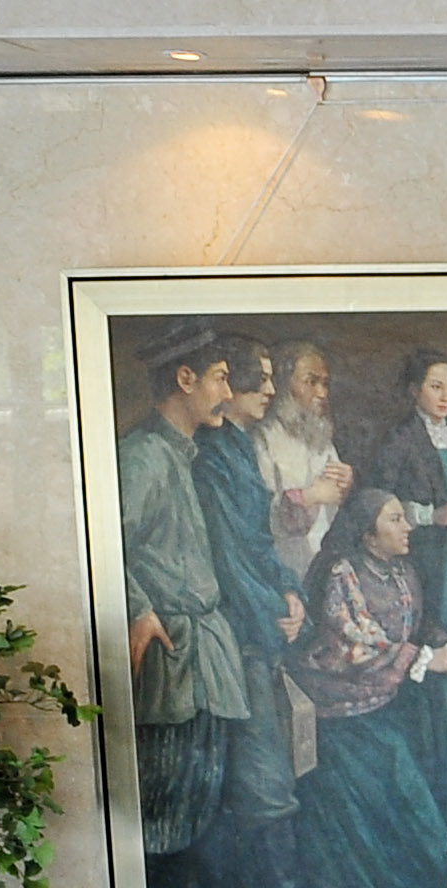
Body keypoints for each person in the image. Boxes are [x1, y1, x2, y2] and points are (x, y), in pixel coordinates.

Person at [116, 322, 261, 888]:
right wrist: (137, 609)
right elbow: (102, 549)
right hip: (170, 661)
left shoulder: (183, 452)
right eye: (220, 379)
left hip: (202, 655)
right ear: (184, 378)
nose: (227, 392)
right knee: (165, 814)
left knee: (200, 807)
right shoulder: (143, 456)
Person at [290, 488, 447, 888]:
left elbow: (416, 625)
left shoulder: (402, 570)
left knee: (426, 773)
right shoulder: (343, 573)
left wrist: (445, 645)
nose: (407, 526)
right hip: (345, 712)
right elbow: (357, 645)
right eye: (394, 519)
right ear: (368, 534)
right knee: (398, 796)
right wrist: (426, 659)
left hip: (386, 700)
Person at [192, 332, 304, 837]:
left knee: (277, 760)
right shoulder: (211, 453)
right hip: (238, 628)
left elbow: (259, 542)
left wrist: (291, 592)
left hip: (259, 618)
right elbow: (227, 555)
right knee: (262, 775)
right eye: (258, 380)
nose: (269, 391)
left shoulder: (238, 444)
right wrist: (274, 612)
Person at [358, 347, 447, 648]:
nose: (445, 396)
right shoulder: (400, 438)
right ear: (415, 390)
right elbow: (378, 499)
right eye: (436, 387)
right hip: (423, 552)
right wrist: (432, 515)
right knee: (435, 622)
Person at [257, 336, 352, 587]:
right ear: (284, 383)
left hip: (322, 566)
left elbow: (336, 506)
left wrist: (345, 483)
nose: (322, 393)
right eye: (311, 382)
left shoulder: (320, 436)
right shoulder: (264, 438)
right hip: (281, 570)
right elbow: (260, 516)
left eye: (325, 384)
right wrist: (311, 496)